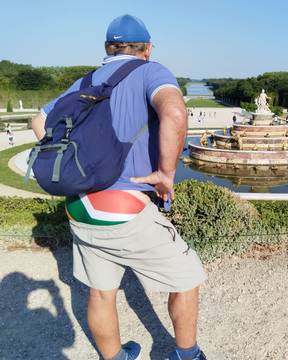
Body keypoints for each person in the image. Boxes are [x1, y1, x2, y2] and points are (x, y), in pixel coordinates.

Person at [30, 15, 207, 360]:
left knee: (101, 291)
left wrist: (72, 166)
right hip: (125, 206)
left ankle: (115, 357)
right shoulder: (151, 71)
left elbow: (39, 120)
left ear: (108, 49)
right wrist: (165, 173)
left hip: (80, 204)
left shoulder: (86, 80)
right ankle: (187, 355)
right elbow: (174, 112)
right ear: (148, 48)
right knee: (187, 279)